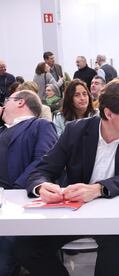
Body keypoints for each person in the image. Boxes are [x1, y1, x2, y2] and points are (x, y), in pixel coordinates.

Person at [14, 79, 119, 276]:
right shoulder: (76, 130)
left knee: (115, 242)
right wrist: (41, 186)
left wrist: (98, 189)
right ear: (109, 113)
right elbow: (42, 170)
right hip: (74, 212)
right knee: (26, 247)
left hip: (113, 214)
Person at [0, 90, 57, 276]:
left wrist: (14, 190)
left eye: (6, 100)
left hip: (16, 199)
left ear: (20, 102)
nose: (3, 104)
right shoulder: (3, 130)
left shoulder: (40, 125)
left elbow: (43, 161)